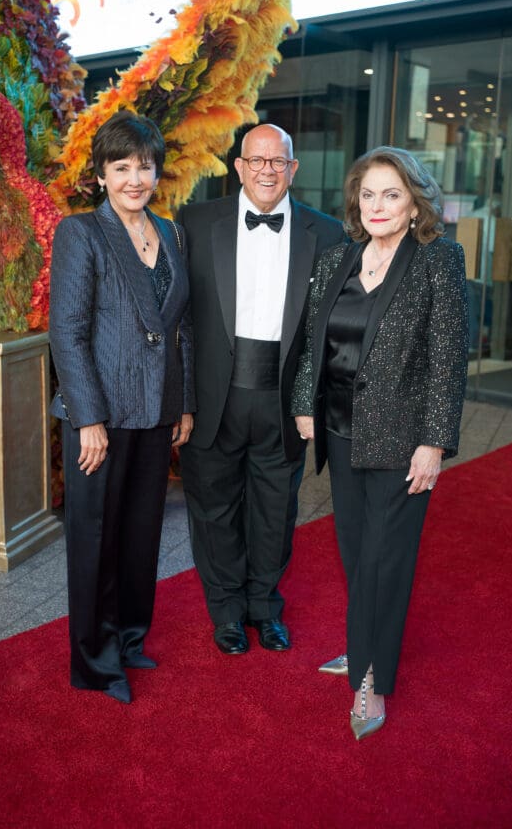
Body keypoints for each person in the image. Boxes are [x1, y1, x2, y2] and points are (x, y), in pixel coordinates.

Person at [291, 146, 468, 740]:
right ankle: (360, 647)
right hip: (339, 431)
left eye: (391, 194)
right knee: (353, 553)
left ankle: (370, 681)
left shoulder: (437, 259)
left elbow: (448, 361)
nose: (378, 205)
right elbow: (316, 339)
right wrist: (303, 404)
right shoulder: (339, 257)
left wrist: (435, 442)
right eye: (368, 194)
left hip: (402, 443)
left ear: (415, 200)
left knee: (384, 564)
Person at [178, 124, 345, 655]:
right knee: (214, 509)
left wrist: (312, 401)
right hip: (214, 396)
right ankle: (226, 612)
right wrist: (180, 401)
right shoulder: (196, 222)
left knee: (276, 511)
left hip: (283, 397)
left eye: (279, 161)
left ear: (293, 169)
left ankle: (264, 607)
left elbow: (330, 330)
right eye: (257, 160)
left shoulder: (329, 234)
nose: (267, 170)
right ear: (239, 166)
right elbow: (181, 321)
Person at [48, 111, 195, 704]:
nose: (136, 178)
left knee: (140, 534)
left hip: (157, 411)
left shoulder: (172, 233)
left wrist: (182, 404)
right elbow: (68, 331)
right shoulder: (80, 233)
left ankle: (130, 637)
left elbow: (179, 327)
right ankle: (94, 660)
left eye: (145, 166)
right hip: (101, 416)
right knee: (95, 537)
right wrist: (88, 419)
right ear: (102, 175)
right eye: (122, 167)